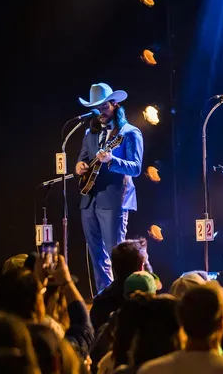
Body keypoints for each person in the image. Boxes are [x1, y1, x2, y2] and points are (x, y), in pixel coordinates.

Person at [75, 83, 143, 294]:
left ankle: (122, 299)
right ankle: (104, 299)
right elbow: (83, 158)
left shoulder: (129, 133)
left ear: (114, 105)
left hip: (115, 198)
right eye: (97, 108)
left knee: (116, 254)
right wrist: (79, 166)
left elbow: (137, 168)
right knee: (96, 255)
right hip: (89, 200)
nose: (100, 113)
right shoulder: (90, 133)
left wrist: (112, 160)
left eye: (103, 107)